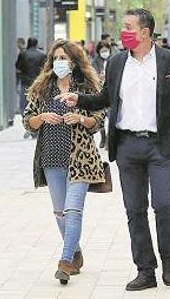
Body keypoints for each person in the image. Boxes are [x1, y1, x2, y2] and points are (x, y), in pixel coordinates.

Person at [61, 8, 170, 292]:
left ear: (145, 32)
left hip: (160, 145)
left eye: (128, 27)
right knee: (134, 210)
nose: (123, 32)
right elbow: (105, 98)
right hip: (127, 146)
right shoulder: (116, 63)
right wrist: (78, 98)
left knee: (163, 204)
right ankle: (145, 270)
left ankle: (168, 258)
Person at [23, 39, 107, 285]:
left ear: (74, 61)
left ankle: (65, 261)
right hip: (51, 156)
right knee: (60, 213)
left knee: (73, 210)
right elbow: (28, 120)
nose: (60, 62)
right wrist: (41, 118)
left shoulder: (87, 86)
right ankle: (76, 252)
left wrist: (80, 119)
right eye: (56, 58)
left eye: (65, 58)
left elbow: (99, 120)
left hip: (80, 157)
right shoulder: (43, 88)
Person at [17, 38, 47, 139]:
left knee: (24, 106)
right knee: (38, 105)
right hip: (39, 83)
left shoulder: (23, 54)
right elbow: (45, 69)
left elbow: (18, 66)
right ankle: (36, 127)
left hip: (26, 83)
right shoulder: (42, 55)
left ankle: (29, 125)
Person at [91, 41, 113, 149]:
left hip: (111, 91)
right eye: (102, 51)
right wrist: (98, 77)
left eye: (106, 50)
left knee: (112, 116)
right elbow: (92, 74)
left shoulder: (113, 59)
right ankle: (103, 136)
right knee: (101, 116)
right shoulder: (95, 61)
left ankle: (109, 138)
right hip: (99, 91)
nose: (104, 53)